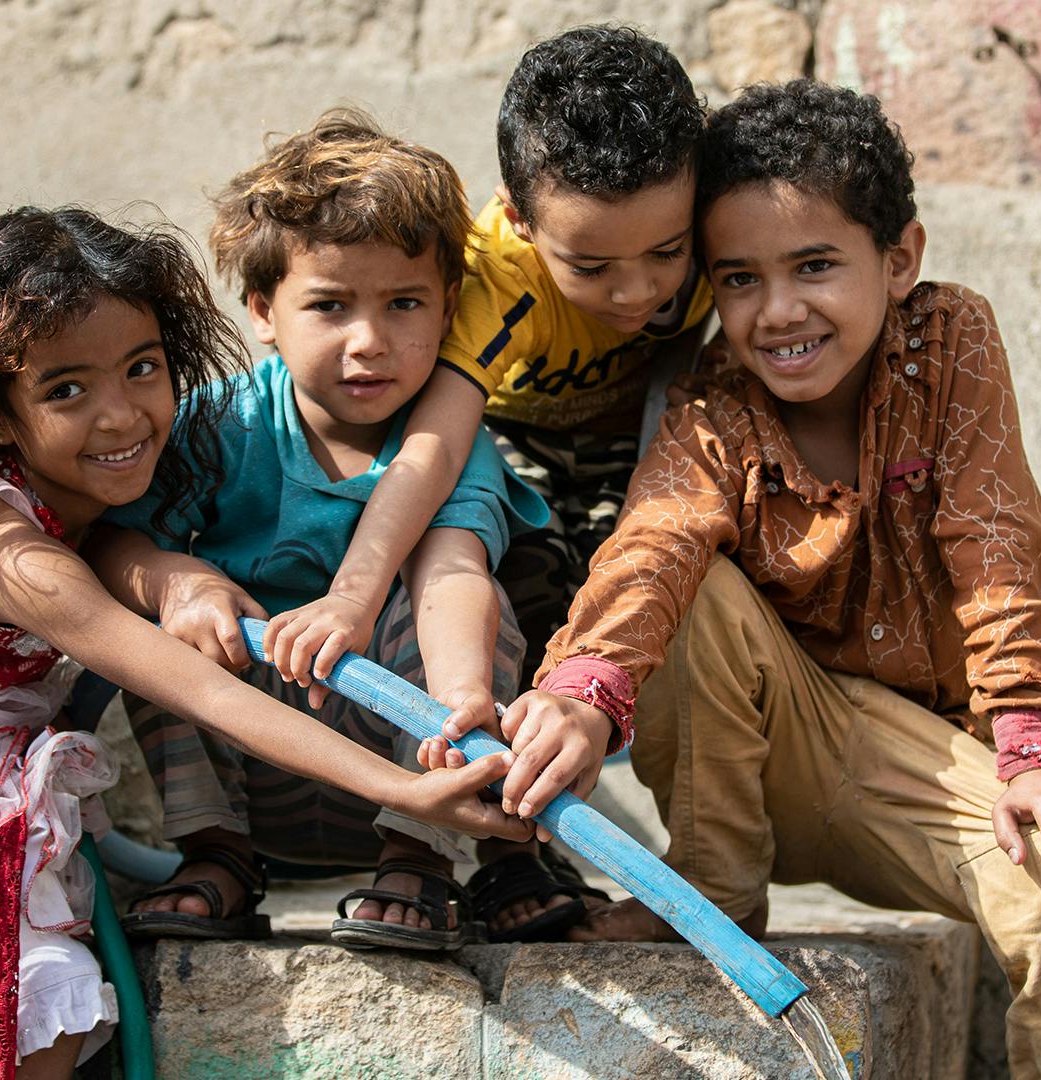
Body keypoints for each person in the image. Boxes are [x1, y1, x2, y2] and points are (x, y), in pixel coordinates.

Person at [0, 207, 524, 1079]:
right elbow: (200, 689)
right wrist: (401, 788)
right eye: (67, 390)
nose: (121, 417)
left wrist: (168, 574)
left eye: (142, 369)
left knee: (53, 1004)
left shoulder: (112, 484)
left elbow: (120, 547)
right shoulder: (16, 558)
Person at [523, 80, 1041, 1078]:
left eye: (815, 265)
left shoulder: (949, 346)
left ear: (899, 259)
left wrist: (1034, 742)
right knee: (695, 591)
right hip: (768, 747)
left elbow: (995, 536)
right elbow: (654, 545)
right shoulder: (713, 402)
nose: (778, 313)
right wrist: (585, 688)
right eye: (738, 280)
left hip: (913, 759)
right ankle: (713, 897)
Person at [248, 24, 712, 942]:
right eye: (591, 265)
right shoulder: (495, 279)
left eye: (666, 253)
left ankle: (699, 865)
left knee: (677, 593)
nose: (636, 294)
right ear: (520, 218)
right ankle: (511, 838)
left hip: (656, 439)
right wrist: (351, 597)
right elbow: (435, 454)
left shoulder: (713, 227)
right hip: (520, 447)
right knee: (530, 589)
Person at [93, 110, 595, 950]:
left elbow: (454, 571)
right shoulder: (221, 427)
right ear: (263, 310)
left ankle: (420, 858)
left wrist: (465, 700)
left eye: (404, 303)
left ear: (450, 308)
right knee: (157, 620)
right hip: (258, 760)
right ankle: (216, 855)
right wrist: (174, 583)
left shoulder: (447, 440)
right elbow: (108, 542)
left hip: (410, 764)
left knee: (467, 610)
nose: (370, 342)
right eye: (329, 305)